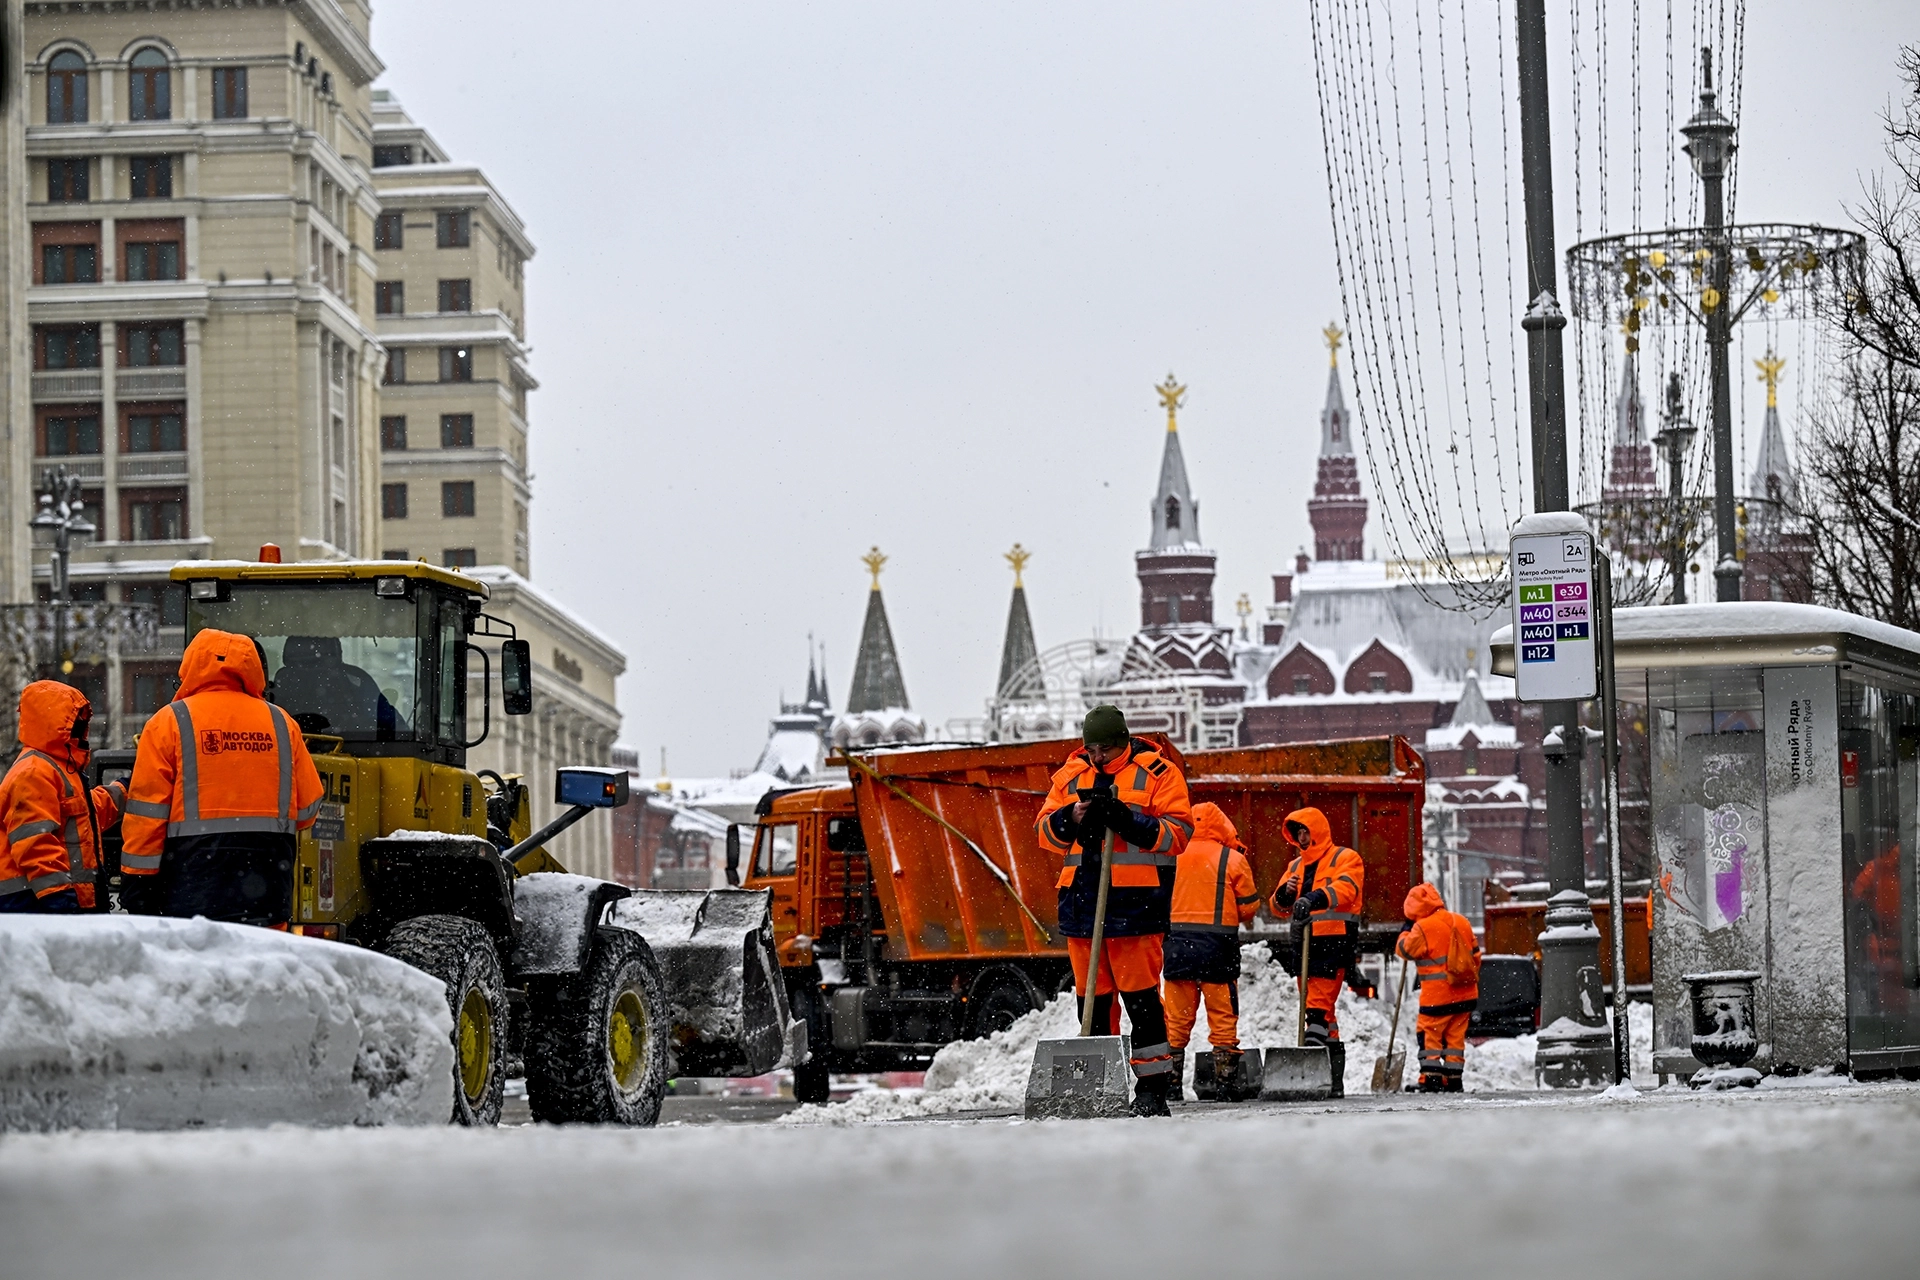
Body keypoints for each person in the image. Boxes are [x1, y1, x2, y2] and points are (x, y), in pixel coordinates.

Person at [1037, 705, 1193, 1116]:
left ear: (1124, 741)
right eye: (1091, 749)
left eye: (1105, 749)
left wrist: (1127, 820)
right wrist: (1070, 816)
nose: (1097, 757)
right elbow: (1043, 833)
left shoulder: (1159, 774)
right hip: (1082, 907)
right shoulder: (1070, 777)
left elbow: (1178, 834)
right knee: (1092, 1003)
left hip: (1136, 909)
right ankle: (1096, 1085)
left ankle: (1152, 1090)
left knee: (1142, 1003)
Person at [120, 628, 325, 927]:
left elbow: (146, 817)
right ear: (252, 668)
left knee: (201, 968)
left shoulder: (168, 722)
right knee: (263, 966)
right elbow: (307, 810)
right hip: (267, 882)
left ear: (192, 665)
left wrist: (138, 883)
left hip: (192, 884)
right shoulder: (282, 723)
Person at [1163, 801, 1261, 1099]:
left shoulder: (1171, 856)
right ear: (1221, 826)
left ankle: (1169, 1086)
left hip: (1178, 947)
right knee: (1222, 1017)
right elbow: (1248, 908)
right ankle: (1226, 1086)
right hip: (1218, 949)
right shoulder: (1231, 859)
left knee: (1176, 1020)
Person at [0, 682, 125, 913]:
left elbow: (84, 817)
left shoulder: (56, 768)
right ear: (54, 723)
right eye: (76, 719)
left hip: (49, 901)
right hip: (35, 905)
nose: (82, 726)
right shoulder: (34, 772)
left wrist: (124, 791)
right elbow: (36, 846)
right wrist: (63, 904)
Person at [1270, 806, 1364, 1098]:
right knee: (1321, 1010)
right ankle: (1332, 1080)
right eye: (1298, 833)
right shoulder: (1296, 866)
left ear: (1317, 831)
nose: (1302, 837)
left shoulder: (1345, 858)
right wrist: (1286, 894)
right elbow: (1277, 905)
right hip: (1304, 942)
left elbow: (1347, 889)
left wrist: (1315, 897)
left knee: (1318, 1006)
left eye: (1306, 831)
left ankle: (1311, 1061)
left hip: (1334, 941)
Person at [1397, 881, 1481, 1092]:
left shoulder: (1422, 928)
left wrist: (1405, 931)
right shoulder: (1461, 921)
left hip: (1437, 997)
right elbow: (1476, 957)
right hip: (1466, 993)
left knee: (1429, 1035)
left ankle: (1431, 1079)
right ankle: (1454, 1080)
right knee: (1455, 1038)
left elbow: (1405, 951)